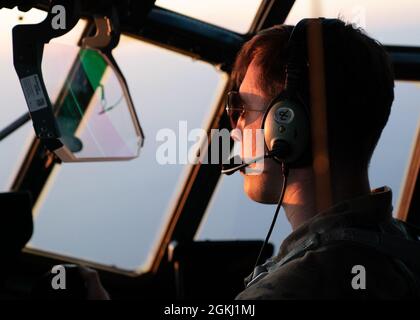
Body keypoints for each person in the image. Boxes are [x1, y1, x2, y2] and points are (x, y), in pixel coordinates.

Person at [81, 18, 420, 300]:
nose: (234, 128)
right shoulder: (400, 247)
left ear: (287, 125)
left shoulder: (295, 288)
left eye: (242, 109)